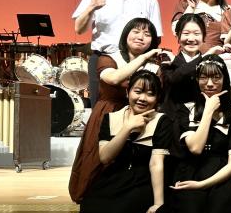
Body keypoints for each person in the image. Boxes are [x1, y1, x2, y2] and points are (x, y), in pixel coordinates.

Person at [72, 70, 171, 213]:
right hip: (112, 177)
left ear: (157, 99)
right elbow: (105, 157)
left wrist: (158, 203)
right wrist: (127, 128)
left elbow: (156, 164)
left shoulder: (162, 121)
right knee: (88, 212)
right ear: (128, 92)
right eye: (138, 91)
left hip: (141, 181)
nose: (143, 98)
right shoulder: (111, 118)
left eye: (150, 94)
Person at [159, 55, 231, 213]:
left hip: (222, 176)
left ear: (225, 80)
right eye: (204, 77)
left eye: (216, 77)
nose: (210, 83)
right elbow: (195, 147)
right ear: (196, 80)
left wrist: (203, 184)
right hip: (189, 171)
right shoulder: (184, 110)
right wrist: (207, 111)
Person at [69, 18, 162, 202]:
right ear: (126, 34)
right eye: (136, 32)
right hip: (109, 112)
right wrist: (143, 58)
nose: (141, 37)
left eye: (147, 34)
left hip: (140, 115)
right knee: (99, 158)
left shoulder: (155, 66)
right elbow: (114, 78)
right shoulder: (109, 58)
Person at [72, 0, 163, 105]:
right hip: (102, 60)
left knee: (136, 110)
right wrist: (91, 7)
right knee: (101, 108)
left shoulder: (150, 1)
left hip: (135, 62)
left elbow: (156, 38)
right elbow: (79, 29)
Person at [160, 14, 206, 120]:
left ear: (204, 37)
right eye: (186, 33)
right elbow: (173, 79)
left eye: (196, 34)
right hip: (172, 119)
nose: (191, 39)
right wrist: (203, 59)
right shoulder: (167, 59)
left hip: (201, 118)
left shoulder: (209, 62)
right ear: (177, 36)